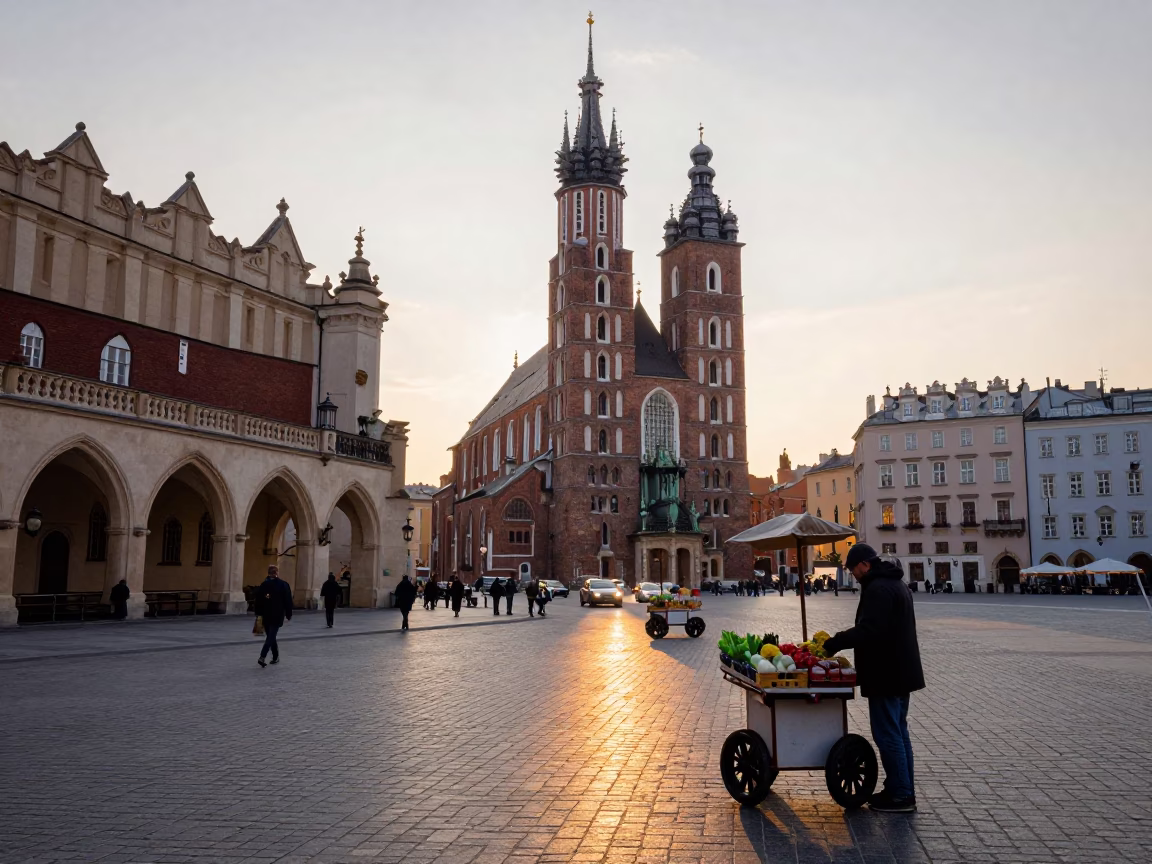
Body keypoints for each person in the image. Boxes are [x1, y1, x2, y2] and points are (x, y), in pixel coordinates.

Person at [822, 543, 924, 813]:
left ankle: (901, 795)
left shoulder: (878, 589)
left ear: (864, 564)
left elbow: (869, 630)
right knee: (899, 734)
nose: (854, 575)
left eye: (854, 569)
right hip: (901, 671)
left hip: (887, 672)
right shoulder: (896, 584)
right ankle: (901, 789)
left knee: (888, 734)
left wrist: (836, 642)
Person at [254, 565, 293, 667]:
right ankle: (263, 656)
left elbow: (258, 601)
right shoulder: (283, 585)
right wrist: (289, 614)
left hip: (265, 615)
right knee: (271, 637)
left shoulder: (263, 585)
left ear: (268, 573)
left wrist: (258, 614)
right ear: (277, 573)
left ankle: (274, 657)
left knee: (271, 636)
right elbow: (288, 601)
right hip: (277, 614)